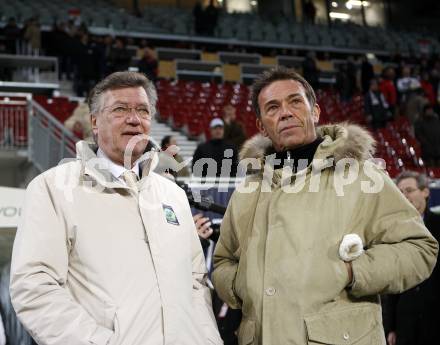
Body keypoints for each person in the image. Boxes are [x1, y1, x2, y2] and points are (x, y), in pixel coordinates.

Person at [212, 66, 438, 345]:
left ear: (315, 112)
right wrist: (244, 284)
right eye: (272, 107)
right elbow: (222, 262)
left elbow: (419, 248)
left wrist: (352, 272)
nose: (285, 112)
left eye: (295, 101)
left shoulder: (361, 175)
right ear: (261, 126)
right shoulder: (248, 189)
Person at [9, 71, 223, 345]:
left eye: (142, 111)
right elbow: (34, 286)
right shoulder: (52, 189)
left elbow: (195, 282)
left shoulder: (173, 194)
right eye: (120, 109)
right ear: (95, 122)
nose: (134, 119)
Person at [383, 171, 440, 345]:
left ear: (425, 192)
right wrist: (390, 326)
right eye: (400, 192)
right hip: (406, 323)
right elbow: (390, 281)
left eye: (409, 190)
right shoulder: (391, 230)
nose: (404, 196)